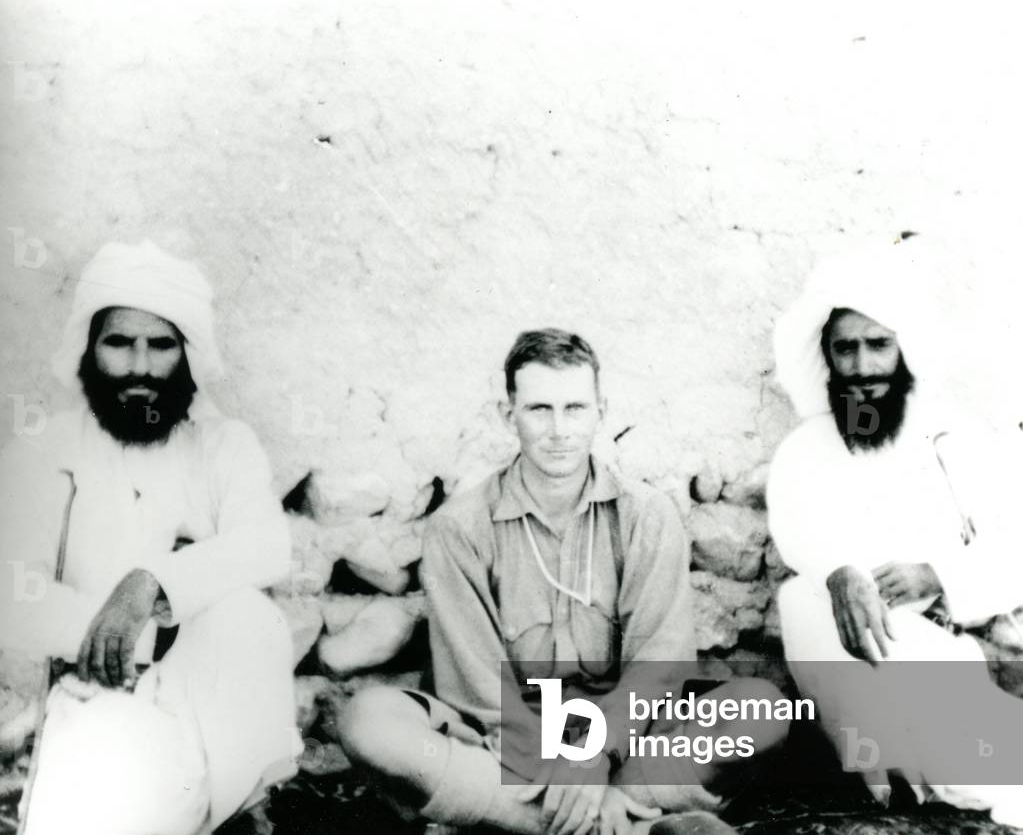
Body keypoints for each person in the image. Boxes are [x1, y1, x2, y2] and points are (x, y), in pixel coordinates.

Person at [340, 328, 788, 835]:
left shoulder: (647, 516)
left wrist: (594, 754)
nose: (559, 430)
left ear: (601, 410)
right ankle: (621, 824)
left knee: (759, 708)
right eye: (539, 409)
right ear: (508, 416)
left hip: (628, 743)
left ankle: (555, 820)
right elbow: (480, 691)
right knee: (368, 722)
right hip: (509, 748)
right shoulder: (459, 528)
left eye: (575, 408)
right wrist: (568, 767)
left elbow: (657, 670)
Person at [0, 240, 300, 835]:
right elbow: (12, 593)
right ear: (89, 350)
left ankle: (245, 811)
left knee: (247, 617)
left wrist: (149, 586)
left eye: (160, 345)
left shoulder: (223, 446)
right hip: (100, 692)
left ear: (186, 356)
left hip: (208, 692)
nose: (139, 366)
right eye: (119, 343)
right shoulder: (48, 448)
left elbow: (266, 546)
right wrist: (129, 637)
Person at [768, 237, 1023, 826]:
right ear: (826, 357)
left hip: (956, 646)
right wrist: (840, 574)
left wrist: (938, 574)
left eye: (877, 346)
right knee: (801, 602)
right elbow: (798, 528)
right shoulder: (805, 450)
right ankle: (895, 779)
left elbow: (1012, 549)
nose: (861, 368)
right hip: (860, 644)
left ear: (904, 350)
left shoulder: (953, 439)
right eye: (845, 349)